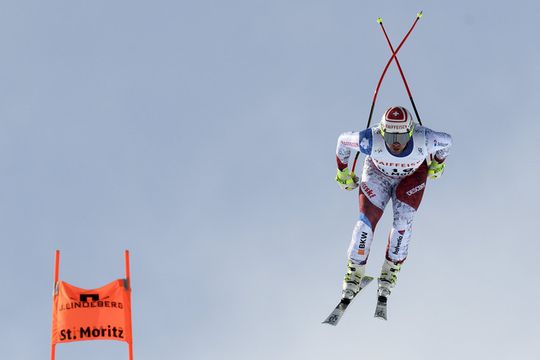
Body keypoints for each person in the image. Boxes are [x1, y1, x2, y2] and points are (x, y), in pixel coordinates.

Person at [335, 106, 452, 301]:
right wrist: (342, 173)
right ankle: (354, 271)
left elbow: (447, 141)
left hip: (411, 177)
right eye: (389, 137)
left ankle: (390, 270)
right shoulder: (371, 140)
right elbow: (342, 141)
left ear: (411, 132)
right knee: (365, 223)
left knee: (402, 224)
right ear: (382, 132)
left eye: (401, 138)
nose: (396, 144)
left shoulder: (425, 139)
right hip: (377, 174)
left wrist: (438, 163)